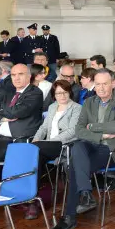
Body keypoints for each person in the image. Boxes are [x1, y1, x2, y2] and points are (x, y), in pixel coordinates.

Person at [51, 69, 115, 229]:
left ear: (114, 83)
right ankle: (85, 192)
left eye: (105, 84)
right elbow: (79, 130)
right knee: (78, 146)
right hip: (93, 146)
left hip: (113, 150)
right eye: (98, 84)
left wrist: (92, 127)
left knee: (74, 164)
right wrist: (101, 135)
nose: (101, 88)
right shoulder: (89, 102)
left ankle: (70, 217)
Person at [31, 80, 82, 218]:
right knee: (35, 159)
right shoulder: (53, 107)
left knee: (33, 151)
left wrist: (47, 142)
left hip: (64, 146)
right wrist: (36, 139)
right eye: (59, 93)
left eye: (65, 92)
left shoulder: (77, 108)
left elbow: (72, 131)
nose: (62, 95)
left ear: (69, 92)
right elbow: (43, 127)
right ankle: (33, 199)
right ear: (54, 94)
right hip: (45, 147)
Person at [0, 63, 43, 164]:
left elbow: (16, 112)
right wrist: (3, 117)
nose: (17, 78)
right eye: (13, 75)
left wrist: (3, 112)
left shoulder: (35, 92)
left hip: (18, 137)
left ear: (29, 76)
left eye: (21, 74)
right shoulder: (9, 92)